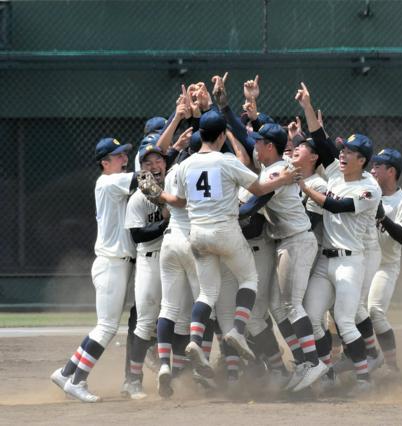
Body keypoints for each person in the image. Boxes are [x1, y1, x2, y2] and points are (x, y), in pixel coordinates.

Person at [151, 109, 298, 379]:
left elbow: (181, 202)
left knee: (207, 293)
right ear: (220, 136)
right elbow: (258, 189)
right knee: (249, 279)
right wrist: (284, 178)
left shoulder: (185, 165)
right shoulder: (226, 161)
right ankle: (237, 331)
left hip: (197, 234)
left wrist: (160, 194)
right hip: (225, 231)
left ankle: (195, 340)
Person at [296, 82, 382, 396]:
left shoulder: (370, 187)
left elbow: (337, 205)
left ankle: (364, 379)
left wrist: (305, 188)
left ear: (363, 160)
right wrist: (308, 106)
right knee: (312, 317)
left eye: (351, 153)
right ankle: (327, 372)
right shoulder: (335, 173)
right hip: (325, 261)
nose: (343, 155)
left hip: (351, 262)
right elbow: (321, 140)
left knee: (345, 322)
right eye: (344, 151)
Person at [50, 138, 137, 402]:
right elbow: (144, 176)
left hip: (114, 263)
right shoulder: (110, 182)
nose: (124, 159)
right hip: (112, 263)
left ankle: (66, 373)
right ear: (105, 163)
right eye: (118, 156)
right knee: (107, 327)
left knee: (107, 325)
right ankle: (78, 380)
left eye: (124, 154)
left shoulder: (112, 182)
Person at [122, 144, 169, 399]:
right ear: (142, 169)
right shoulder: (138, 198)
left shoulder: (173, 188)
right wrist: (166, 221)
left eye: (158, 161)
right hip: (149, 260)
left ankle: (177, 373)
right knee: (145, 321)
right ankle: (133, 380)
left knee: (177, 318)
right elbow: (139, 235)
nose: (154, 166)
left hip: (174, 260)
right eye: (148, 163)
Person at [367, 148, 402, 374]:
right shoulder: (366, 190)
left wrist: (382, 216)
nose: (372, 169)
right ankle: (366, 358)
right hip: (362, 262)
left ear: (391, 171)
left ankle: (392, 367)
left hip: (385, 265)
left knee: (374, 311)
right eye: (372, 165)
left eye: (377, 166)